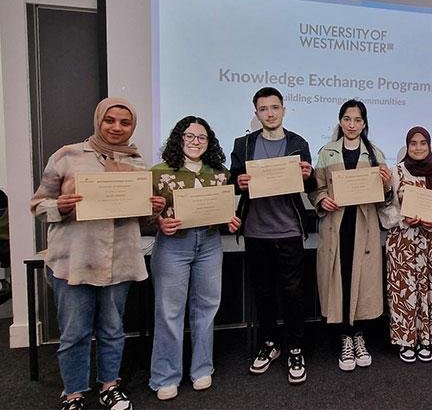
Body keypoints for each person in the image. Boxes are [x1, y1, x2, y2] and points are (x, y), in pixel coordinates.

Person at [30, 97, 165, 410]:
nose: (117, 127)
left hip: (120, 261)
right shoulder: (67, 156)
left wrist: (153, 208)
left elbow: (142, 219)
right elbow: (38, 205)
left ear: (132, 126)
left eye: (125, 122)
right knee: (74, 332)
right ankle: (73, 393)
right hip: (75, 260)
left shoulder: (137, 162)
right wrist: (59, 206)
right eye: (110, 120)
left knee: (113, 329)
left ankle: (109, 386)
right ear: (99, 120)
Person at [148, 116, 241, 400]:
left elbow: (222, 211)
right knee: (169, 311)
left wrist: (230, 221)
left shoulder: (220, 173)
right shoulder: (158, 172)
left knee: (207, 307)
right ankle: (165, 376)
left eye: (202, 137)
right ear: (179, 138)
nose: (195, 142)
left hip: (210, 243)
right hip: (173, 245)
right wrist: (158, 221)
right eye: (189, 136)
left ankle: (201, 368)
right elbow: (142, 213)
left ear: (209, 142)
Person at [230, 87, 316, 385]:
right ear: (256, 113)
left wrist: (308, 175)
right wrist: (239, 181)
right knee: (263, 293)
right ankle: (269, 344)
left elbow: (309, 183)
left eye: (275, 107)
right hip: (256, 231)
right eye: (263, 109)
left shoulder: (298, 143)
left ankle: (295, 348)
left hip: (289, 229)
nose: (270, 113)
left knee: (293, 294)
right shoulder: (243, 144)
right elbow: (233, 179)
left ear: (283, 110)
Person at [308, 99, 392, 371]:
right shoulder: (327, 152)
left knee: (362, 283)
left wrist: (387, 185)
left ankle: (359, 336)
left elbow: (385, 198)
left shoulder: (375, 153)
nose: (352, 125)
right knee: (340, 280)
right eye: (347, 119)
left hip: (364, 229)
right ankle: (344, 336)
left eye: (357, 120)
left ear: (364, 123)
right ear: (340, 121)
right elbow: (316, 188)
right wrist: (322, 199)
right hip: (336, 227)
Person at [382, 127, 432, 363]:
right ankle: (406, 340)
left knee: (429, 288)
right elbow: (385, 207)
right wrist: (403, 218)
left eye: (423, 143)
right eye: (413, 143)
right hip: (402, 243)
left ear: (429, 145)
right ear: (407, 146)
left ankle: (426, 338)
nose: (418, 147)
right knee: (404, 290)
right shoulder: (396, 172)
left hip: (430, 242)